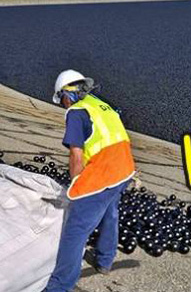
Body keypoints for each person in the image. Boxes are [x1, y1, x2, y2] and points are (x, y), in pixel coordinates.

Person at [44, 70, 136, 292]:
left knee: (75, 231)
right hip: (124, 169)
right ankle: (105, 260)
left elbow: (76, 154)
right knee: (110, 211)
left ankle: (59, 285)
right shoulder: (100, 104)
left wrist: (77, 185)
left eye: (62, 99)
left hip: (103, 174)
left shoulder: (76, 112)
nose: (63, 105)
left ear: (68, 94)